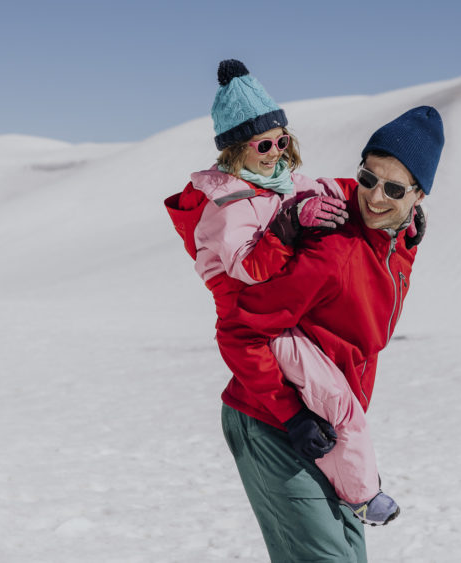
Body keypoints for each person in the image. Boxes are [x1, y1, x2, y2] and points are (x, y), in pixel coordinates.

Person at [164, 59, 406, 529]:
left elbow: (328, 189)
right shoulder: (228, 207)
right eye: (263, 144)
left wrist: (389, 207)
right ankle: (362, 495)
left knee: (341, 397)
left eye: (282, 140)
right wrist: (291, 224)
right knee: (338, 404)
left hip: (285, 317)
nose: (275, 151)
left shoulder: (275, 183)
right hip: (262, 323)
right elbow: (250, 269)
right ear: (236, 149)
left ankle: (352, 488)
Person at [217, 105, 444, 562]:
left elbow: (367, 317)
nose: (375, 197)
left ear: (418, 196)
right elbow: (241, 330)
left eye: (394, 189)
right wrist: (292, 418)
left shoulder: (394, 240)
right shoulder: (331, 243)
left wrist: (407, 244)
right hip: (273, 421)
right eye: (368, 178)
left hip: (332, 427)